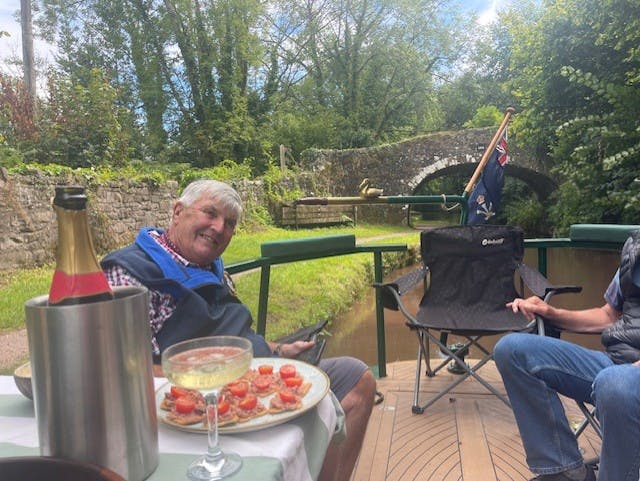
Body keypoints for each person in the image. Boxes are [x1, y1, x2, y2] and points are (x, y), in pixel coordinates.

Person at [101, 179, 376, 481]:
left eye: (229, 223)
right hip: (205, 403)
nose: (219, 228)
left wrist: (278, 350)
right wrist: (220, 379)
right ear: (178, 212)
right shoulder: (129, 274)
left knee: (357, 379)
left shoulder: (211, 264)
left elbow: (234, 332)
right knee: (317, 408)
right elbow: (128, 371)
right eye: (210, 213)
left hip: (257, 373)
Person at [494, 230, 640, 481]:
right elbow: (609, 316)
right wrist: (551, 312)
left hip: (622, 381)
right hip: (616, 365)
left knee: (615, 384)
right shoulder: (635, 249)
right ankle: (566, 471)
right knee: (513, 351)